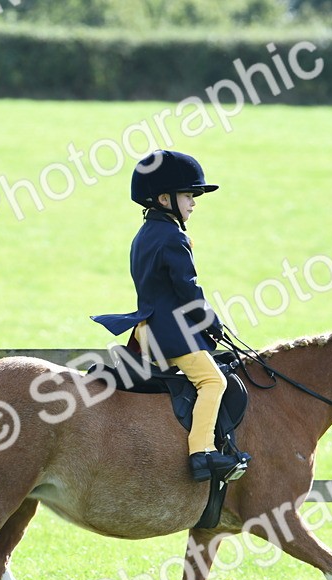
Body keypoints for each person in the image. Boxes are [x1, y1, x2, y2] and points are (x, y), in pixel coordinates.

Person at [92, 150, 249, 483]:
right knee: (213, 381)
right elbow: (188, 290)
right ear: (165, 198)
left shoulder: (146, 234)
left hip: (146, 329)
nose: (193, 203)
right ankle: (202, 452)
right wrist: (212, 322)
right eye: (188, 196)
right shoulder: (173, 237)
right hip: (169, 331)